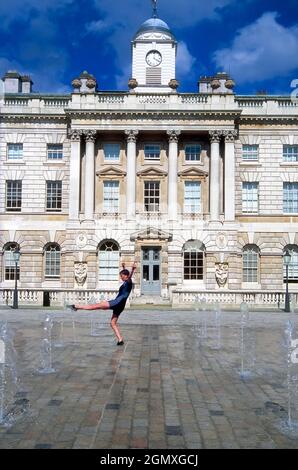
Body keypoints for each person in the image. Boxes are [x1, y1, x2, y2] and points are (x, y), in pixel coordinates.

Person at [67, 262, 136, 345]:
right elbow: (128, 277)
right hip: (120, 306)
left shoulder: (128, 281)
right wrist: (124, 267)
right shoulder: (127, 282)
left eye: (121, 276)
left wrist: (132, 270)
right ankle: (120, 340)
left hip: (117, 303)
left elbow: (129, 278)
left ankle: (76, 306)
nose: (120, 278)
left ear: (125, 276)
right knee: (112, 323)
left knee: (94, 306)